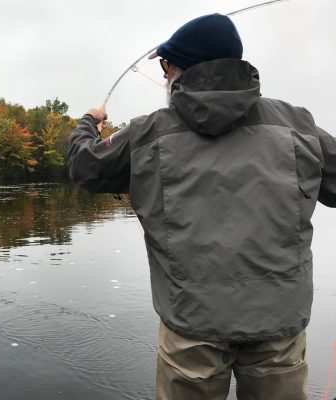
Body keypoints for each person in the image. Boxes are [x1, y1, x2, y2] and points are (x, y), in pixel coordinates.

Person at [67, 13, 336, 400]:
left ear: (180, 69)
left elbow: (84, 165)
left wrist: (87, 122)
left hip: (190, 331)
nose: (163, 76)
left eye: (165, 66)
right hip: (279, 330)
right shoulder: (299, 126)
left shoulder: (147, 133)